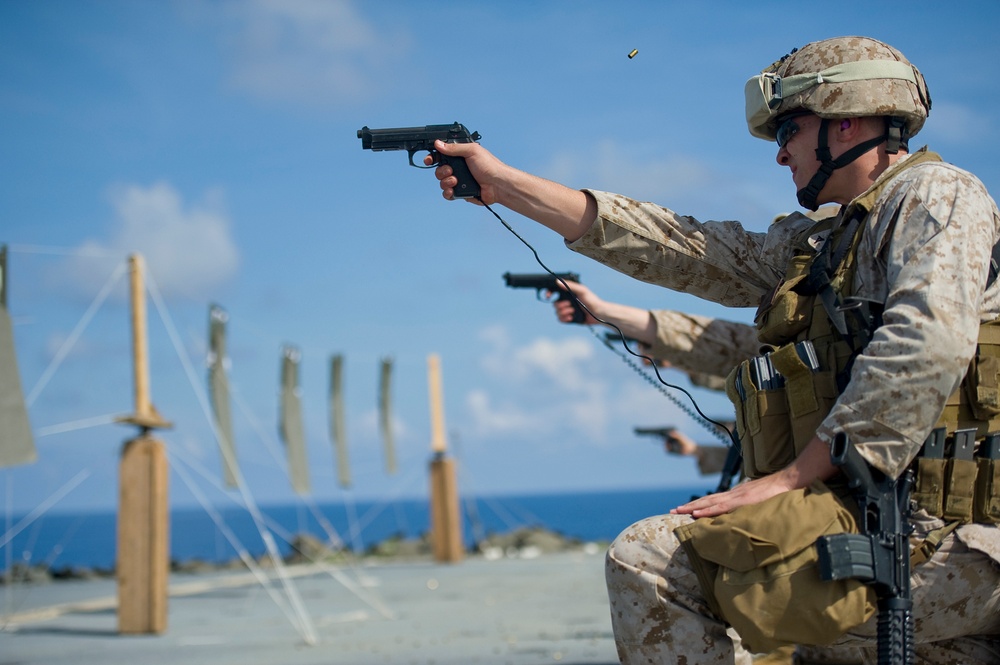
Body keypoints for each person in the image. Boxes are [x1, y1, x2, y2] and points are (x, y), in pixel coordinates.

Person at [428, 36, 1000, 663]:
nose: (780, 154)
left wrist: (792, 477)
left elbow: (927, 341)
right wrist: (507, 187)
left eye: (789, 128)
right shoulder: (822, 245)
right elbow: (687, 248)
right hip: (877, 527)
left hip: (951, 541)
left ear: (851, 120)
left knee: (654, 560)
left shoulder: (938, 195)